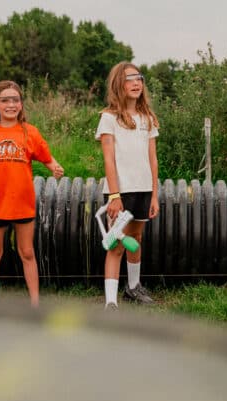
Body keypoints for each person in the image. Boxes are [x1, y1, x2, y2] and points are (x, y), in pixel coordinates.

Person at [0, 80, 64, 307]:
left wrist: (55, 167)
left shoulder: (29, 132)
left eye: (15, 100)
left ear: (21, 104)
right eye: (5, 100)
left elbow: (47, 157)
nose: (11, 104)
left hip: (23, 203)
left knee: (27, 252)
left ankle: (35, 303)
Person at [95, 61, 160, 310]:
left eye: (139, 78)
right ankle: (111, 301)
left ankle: (133, 288)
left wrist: (154, 195)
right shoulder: (108, 118)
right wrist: (114, 195)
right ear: (118, 85)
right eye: (129, 79)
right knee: (116, 243)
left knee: (136, 237)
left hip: (144, 191)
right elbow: (108, 159)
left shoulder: (148, 118)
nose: (136, 83)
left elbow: (152, 159)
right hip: (120, 192)